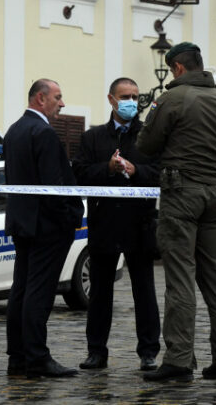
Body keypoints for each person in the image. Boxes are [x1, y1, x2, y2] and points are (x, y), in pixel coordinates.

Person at [136, 42, 216, 382]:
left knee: (180, 277)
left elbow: (146, 145)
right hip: (214, 193)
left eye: (171, 70)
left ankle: (179, 360)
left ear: (178, 68)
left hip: (181, 193)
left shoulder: (173, 98)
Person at [72, 77, 161, 372]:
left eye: (135, 96)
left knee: (144, 291)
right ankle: (96, 351)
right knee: (100, 293)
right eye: (125, 96)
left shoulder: (149, 135)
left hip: (140, 224)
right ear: (111, 99)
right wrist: (107, 169)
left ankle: (148, 351)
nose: (131, 101)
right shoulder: (93, 137)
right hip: (105, 223)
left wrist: (137, 171)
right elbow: (81, 174)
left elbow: (160, 173)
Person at [3, 79, 85, 378]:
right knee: (39, 292)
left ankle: (18, 357)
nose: (62, 104)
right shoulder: (43, 132)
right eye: (58, 97)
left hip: (23, 222)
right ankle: (37, 357)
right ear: (40, 98)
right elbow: (54, 186)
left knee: (22, 290)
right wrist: (67, 216)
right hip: (47, 226)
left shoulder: (14, 130)